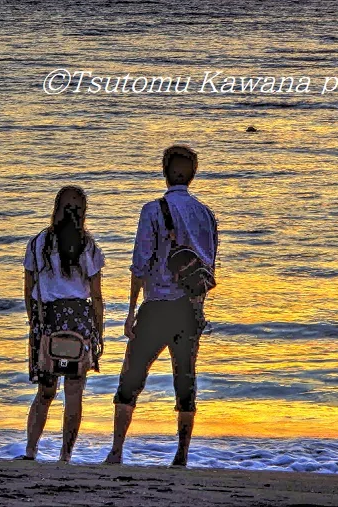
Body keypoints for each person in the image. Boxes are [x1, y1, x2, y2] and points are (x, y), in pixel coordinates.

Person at [104, 144, 218, 468]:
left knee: (131, 379)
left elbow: (139, 265)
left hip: (156, 305)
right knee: (186, 380)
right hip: (190, 309)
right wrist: (198, 305)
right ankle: (181, 455)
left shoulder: (152, 210)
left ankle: (116, 452)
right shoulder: (207, 215)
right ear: (193, 175)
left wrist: (129, 312)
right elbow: (207, 267)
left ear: (164, 172)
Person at [20, 185, 106, 463]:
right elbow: (96, 296)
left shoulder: (38, 244)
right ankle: (65, 456)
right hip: (80, 320)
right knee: (73, 393)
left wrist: (34, 323)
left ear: (55, 209)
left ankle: (31, 451)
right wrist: (99, 331)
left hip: (47, 319)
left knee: (45, 392)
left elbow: (28, 290)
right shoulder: (89, 246)